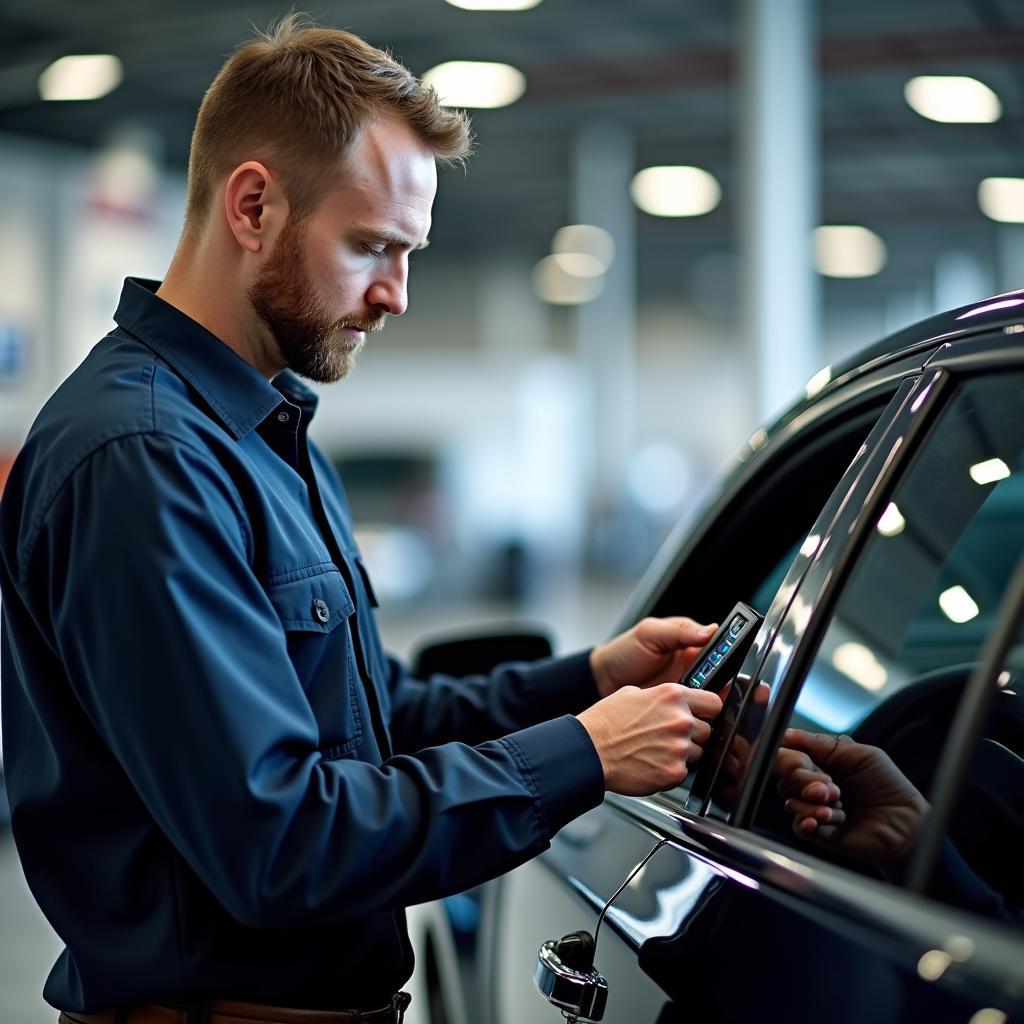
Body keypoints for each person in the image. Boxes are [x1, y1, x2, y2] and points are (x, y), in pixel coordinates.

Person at [0, 17, 724, 1024]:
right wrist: (583, 753)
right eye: (371, 246)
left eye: (409, 251)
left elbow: (373, 721)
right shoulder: (146, 457)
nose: (395, 294)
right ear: (252, 204)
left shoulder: (264, 434)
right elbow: (280, 840)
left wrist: (589, 683)